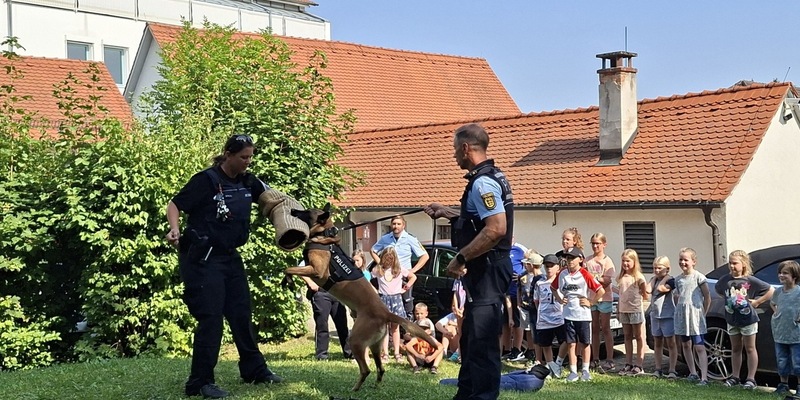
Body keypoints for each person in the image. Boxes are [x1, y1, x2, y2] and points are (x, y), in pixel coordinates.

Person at [165, 134, 289, 398]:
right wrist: (174, 230)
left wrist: (298, 221)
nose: (248, 161)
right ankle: (199, 382)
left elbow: (274, 200)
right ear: (228, 154)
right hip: (202, 258)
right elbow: (175, 205)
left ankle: (254, 370)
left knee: (241, 313)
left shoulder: (248, 181)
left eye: (250, 156)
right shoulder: (206, 180)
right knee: (211, 319)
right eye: (243, 157)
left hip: (230, 256)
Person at [423, 123, 514, 400]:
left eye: (455, 150)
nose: (454, 156)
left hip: (487, 271)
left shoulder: (483, 182)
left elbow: (495, 228)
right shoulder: (490, 176)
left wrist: (461, 257)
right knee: (471, 339)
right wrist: (449, 211)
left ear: (466, 148)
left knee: (483, 342)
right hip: (484, 271)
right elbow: (477, 220)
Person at [715, 249, 774, 389]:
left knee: (750, 348)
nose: (732, 266)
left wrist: (757, 302)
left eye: (735, 263)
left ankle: (751, 379)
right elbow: (719, 290)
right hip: (732, 319)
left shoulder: (750, 280)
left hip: (748, 320)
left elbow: (770, 290)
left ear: (743, 264)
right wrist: (730, 301)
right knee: (735, 348)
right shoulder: (725, 280)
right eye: (730, 263)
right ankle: (735, 376)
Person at [551, 247, 605, 382]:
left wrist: (591, 302)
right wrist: (559, 299)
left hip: (583, 314)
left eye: (572, 258)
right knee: (571, 343)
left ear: (580, 259)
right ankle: (573, 371)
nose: (569, 261)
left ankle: (585, 370)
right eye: (567, 258)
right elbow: (553, 287)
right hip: (568, 314)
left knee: (585, 342)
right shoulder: (563, 273)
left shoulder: (585, 274)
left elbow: (600, 290)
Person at [371, 215, 429, 319]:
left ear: (403, 225)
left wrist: (412, 270)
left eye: (398, 224)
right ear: (391, 225)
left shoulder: (410, 239)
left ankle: (406, 332)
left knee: (407, 305)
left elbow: (425, 256)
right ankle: (389, 333)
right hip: (388, 277)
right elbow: (373, 250)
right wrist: (381, 264)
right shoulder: (385, 238)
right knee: (386, 307)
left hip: (403, 277)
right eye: (394, 224)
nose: (396, 226)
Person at [669, 247, 711, 385]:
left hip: (695, 315)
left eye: (686, 260)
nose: (683, 262)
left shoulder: (699, 277)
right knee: (685, 344)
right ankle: (692, 372)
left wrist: (703, 313)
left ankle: (704, 376)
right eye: (680, 260)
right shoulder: (678, 279)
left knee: (699, 346)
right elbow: (677, 294)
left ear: (693, 261)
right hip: (682, 316)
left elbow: (707, 297)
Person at [376, 246, 416, 363]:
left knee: (395, 328)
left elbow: (413, 277)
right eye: (386, 258)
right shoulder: (378, 270)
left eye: (390, 258)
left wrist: (406, 287)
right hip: (383, 299)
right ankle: (385, 353)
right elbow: (366, 277)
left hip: (396, 299)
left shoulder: (399, 269)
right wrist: (374, 290)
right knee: (384, 328)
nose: (388, 261)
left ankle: (397, 352)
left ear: (394, 259)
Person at [583, 233, 615, 373]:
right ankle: (595, 358)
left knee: (606, 329)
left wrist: (595, 278)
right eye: (593, 243)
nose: (595, 246)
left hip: (605, 298)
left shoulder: (607, 261)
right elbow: (584, 275)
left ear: (604, 244)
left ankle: (610, 359)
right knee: (594, 329)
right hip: (592, 297)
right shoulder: (588, 260)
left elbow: (608, 280)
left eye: (598, 243)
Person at [302, 274, 353, 361]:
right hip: (321, 293)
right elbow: (301, 268)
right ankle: (321, 355)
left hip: (337, 293)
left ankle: (349, 353)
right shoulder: (316, 259)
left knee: (342, 325)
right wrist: (310, 283)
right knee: (322, 325)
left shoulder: (338, 260)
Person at [615, 249, 648, 376]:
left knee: (639, 336)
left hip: (635, 310)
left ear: (634, 261)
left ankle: (639, 363)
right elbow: (620, 294)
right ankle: (628, 363)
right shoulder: (621, 277)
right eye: (623, 261)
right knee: (627, 336)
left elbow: (645, 294)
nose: (625, 263)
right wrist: (618, 309)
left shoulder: (638, 277)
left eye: (628, 261)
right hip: (624, 310)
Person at [770, 260, 800, 396]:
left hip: (796, 333)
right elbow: (773, 303)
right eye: (780, 273)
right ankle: (783, 384)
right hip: (780, 332)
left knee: (797, 361)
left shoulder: (798, 292)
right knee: (781, 360)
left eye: (785, 273)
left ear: (794, 276)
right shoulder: (778, 292)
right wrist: (776, 312)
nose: (781, 275)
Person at [647, 256, 679, 379]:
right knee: (657, 342)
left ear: (667, 269)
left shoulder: (670, 280)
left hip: (668, 316)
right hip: (656, 315)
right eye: (654, 268)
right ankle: (658, 368)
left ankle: (672, 369)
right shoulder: (653, 279)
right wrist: (655, 278)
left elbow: (661, 289)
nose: (656, 270)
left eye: (659, 268)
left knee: (671, 343)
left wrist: (664, 278)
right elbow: (648, 290)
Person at [536, 254, 567, 378]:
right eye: (546, 266)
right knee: (545, 344)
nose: (549, 269)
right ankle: (550, 365)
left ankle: (558, 363)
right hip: (544, 318)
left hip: (560, 317)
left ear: (558, 268)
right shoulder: (539, 283)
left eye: (551, 266)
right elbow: (536, 301)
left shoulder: (562, 282)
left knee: (566, 340)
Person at [501, 240, 528, 361]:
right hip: (503, 291)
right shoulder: (500, 249)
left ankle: (517, 349)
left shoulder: (519, 249)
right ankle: (506, 349)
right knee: (505, 322)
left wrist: (522, 275)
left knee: (517, 322)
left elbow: (531, 262)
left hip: (516, 291)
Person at [517, 250, 544, 365]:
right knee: (531, 332)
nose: (525, 266)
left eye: (527, 264)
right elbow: (520, 289)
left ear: (531, 265)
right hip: (528, 307)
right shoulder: (525, 276)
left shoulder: (541, 279)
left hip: (537, 309)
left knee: (538, 333)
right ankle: (534, 355)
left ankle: (540, 358)